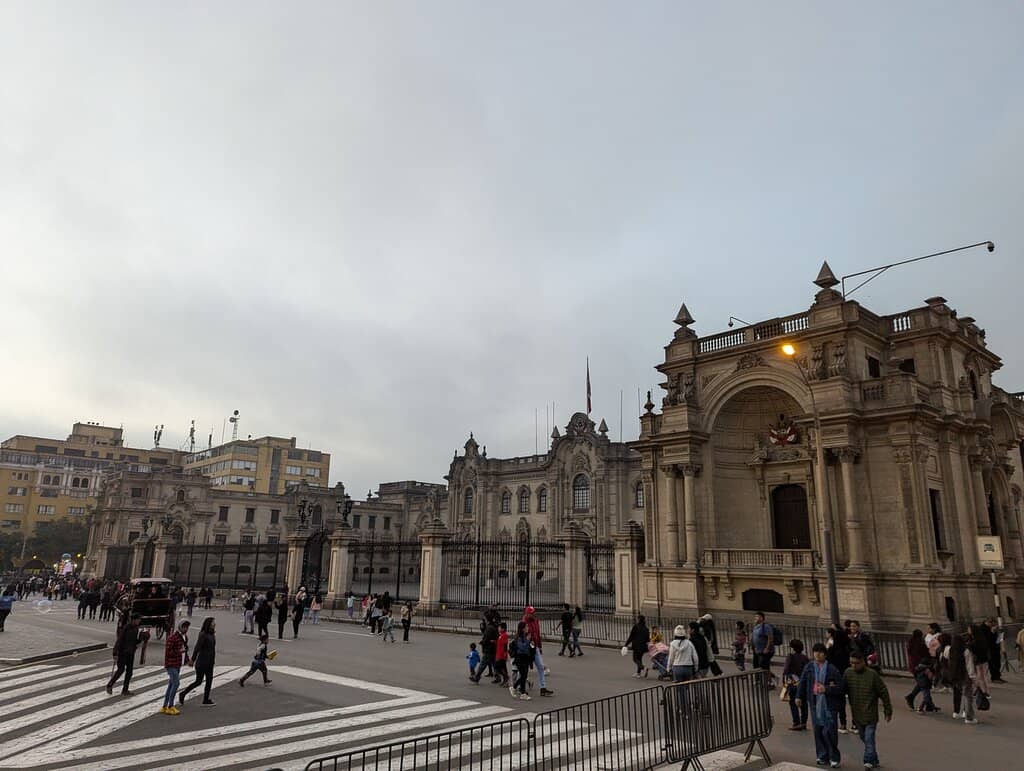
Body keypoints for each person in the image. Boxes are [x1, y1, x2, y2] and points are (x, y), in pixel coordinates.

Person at [795, 642, 845, 769]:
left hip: (829, 704)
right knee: (818, 731)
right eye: (815, 651)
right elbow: (802, 682)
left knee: (830, 731)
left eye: (820, 652)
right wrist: (799, 696)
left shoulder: (832, 669)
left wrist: (826, 689)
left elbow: (841, 687)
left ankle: (834, 757)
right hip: (814, 703)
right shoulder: (809, 667)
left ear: (825, 654)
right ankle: (822, 755)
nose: (817, 654)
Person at [844, 649, 893, 769]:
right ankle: (874, 759)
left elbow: (883, 692)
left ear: (863, 662)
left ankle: (868, 761)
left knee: (869, 738)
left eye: (856, 663)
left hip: (870, 714)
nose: (854, 665)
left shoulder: (872, 675)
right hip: (857, 714)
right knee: (864, 738)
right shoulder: (848, 674)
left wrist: (888, 710)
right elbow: (842, 689)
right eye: (851, 663)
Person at [180, 617, 217, 706]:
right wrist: (192, 660)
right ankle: (183, 693)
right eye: (213, 623)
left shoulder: (212, 634)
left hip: (210, 662)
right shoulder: (203, 635)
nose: (214, 624)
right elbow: (197, 648)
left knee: (209, 680)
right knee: (198, 681)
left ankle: (206, 699)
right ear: (208, 624)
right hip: (202, 662)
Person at [107, 614, 143, 696]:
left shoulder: (136, 628)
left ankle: (125, 690)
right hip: (123, 652)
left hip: (131, 653)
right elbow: (119, 640)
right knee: (121, 670)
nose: (139, 621)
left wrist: (141, 638)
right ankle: (110, 685)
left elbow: (135, 641)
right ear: (133, 620)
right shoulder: (126, 628)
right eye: (138, 619)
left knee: (129, 672)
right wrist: (115, 652)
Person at [825, 624, 853, 733]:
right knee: (850, 701)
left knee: (837, 702)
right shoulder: (848, 651)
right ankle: (853, 724)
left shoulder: (832, 650)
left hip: (835, 680)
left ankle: (841, 724)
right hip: (847, 678)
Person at [161, 620, 190, 715]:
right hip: (171, 664)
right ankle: (171, 706)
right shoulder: (173, 638)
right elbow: (169, 652)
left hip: (178, 664)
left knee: (171, 685)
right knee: (176, 683)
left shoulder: (184, 638)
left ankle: (165, 706)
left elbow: (185, 650)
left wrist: (187, 660)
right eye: (184, 627)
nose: (186, 629)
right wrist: (179, 652)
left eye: (187, 627)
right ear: (180, 627)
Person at [523, 605, 553, 696]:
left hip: (535, 647)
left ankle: (543, 688)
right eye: (531, 613)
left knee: (540, 666)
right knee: (524, 668)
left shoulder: (535, 620)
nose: (533, 614)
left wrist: (539, 646)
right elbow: (522, 636)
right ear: (527, 614)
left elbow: (537, 634)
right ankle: (520, 687)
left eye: (533, 613)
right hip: (527, 648)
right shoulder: (524, 622)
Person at [949, 632, 978, 724]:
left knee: (957, 693)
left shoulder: (951, 650)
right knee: (968, 696)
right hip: (965, 675)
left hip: (955, 675)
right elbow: (969, 665)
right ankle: (968, 716)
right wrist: (973, 677)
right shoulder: (966, 651)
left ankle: (956, 712)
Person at [783, 639, 809, 731]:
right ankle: (803, 723)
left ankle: (796, 722)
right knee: (804, 703)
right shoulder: (805, 658)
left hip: (793, 682)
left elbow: (786, 669)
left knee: (793, 702)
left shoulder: (790, 657)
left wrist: (785, 681)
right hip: (803, 683)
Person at [509, 622, 535, 700]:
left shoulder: (525, 636)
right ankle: (521, 692)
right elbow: (522, 647)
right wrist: (528, 640)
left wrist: (532, 644)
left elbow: (529, 647)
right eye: (526, 626)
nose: (528, 628)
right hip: (520, 658)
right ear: (523, 628)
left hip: (526, 658)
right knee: (523, 675)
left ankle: (515, 689)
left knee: (524, 675)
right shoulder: (519, 637)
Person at [751, 612, 778, 687]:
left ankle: (770, 682)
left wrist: (767, 648)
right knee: (758, 666)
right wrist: (754, 647)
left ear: (762, 618)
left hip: (766, 651)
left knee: (764, 666)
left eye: (757, 617)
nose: (756, 618)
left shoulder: (766, 626)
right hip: (758, 650)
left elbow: (770, 638)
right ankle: (760, 680)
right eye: (755, 617)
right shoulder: (756, 626)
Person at [625, 613, 650, 678]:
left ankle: (644, 668)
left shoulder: (636, 626)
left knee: (635, 659)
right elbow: (648, 639)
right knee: (639, 659)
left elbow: (631, 637)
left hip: (636, 646)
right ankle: (638, 673)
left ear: (638, 619)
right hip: (643, 646)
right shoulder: (646, 628)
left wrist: (626, 644)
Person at [982, 618, 1004, 683]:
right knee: (993, 664)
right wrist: (992, 632)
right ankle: (994, 678)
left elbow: (998, 639)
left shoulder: (991, 628)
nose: (993, 625)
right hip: (990, 650)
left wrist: (1000, 635)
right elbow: (987, 640)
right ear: (989, 622)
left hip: (996, 648)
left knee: (998, 663)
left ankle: (998, 677)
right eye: (992, 624)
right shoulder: (983, 629)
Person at [493, 622, 511, 686]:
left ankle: (506, 677)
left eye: (499, 627)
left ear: (503, 629)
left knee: (497, 667)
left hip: (501, 655)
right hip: (498, 654)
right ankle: (505, 680)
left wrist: (505, 653)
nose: (498, 628)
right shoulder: (501, 635)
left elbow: (505, 645)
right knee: (503, 667)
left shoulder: (504, 635)